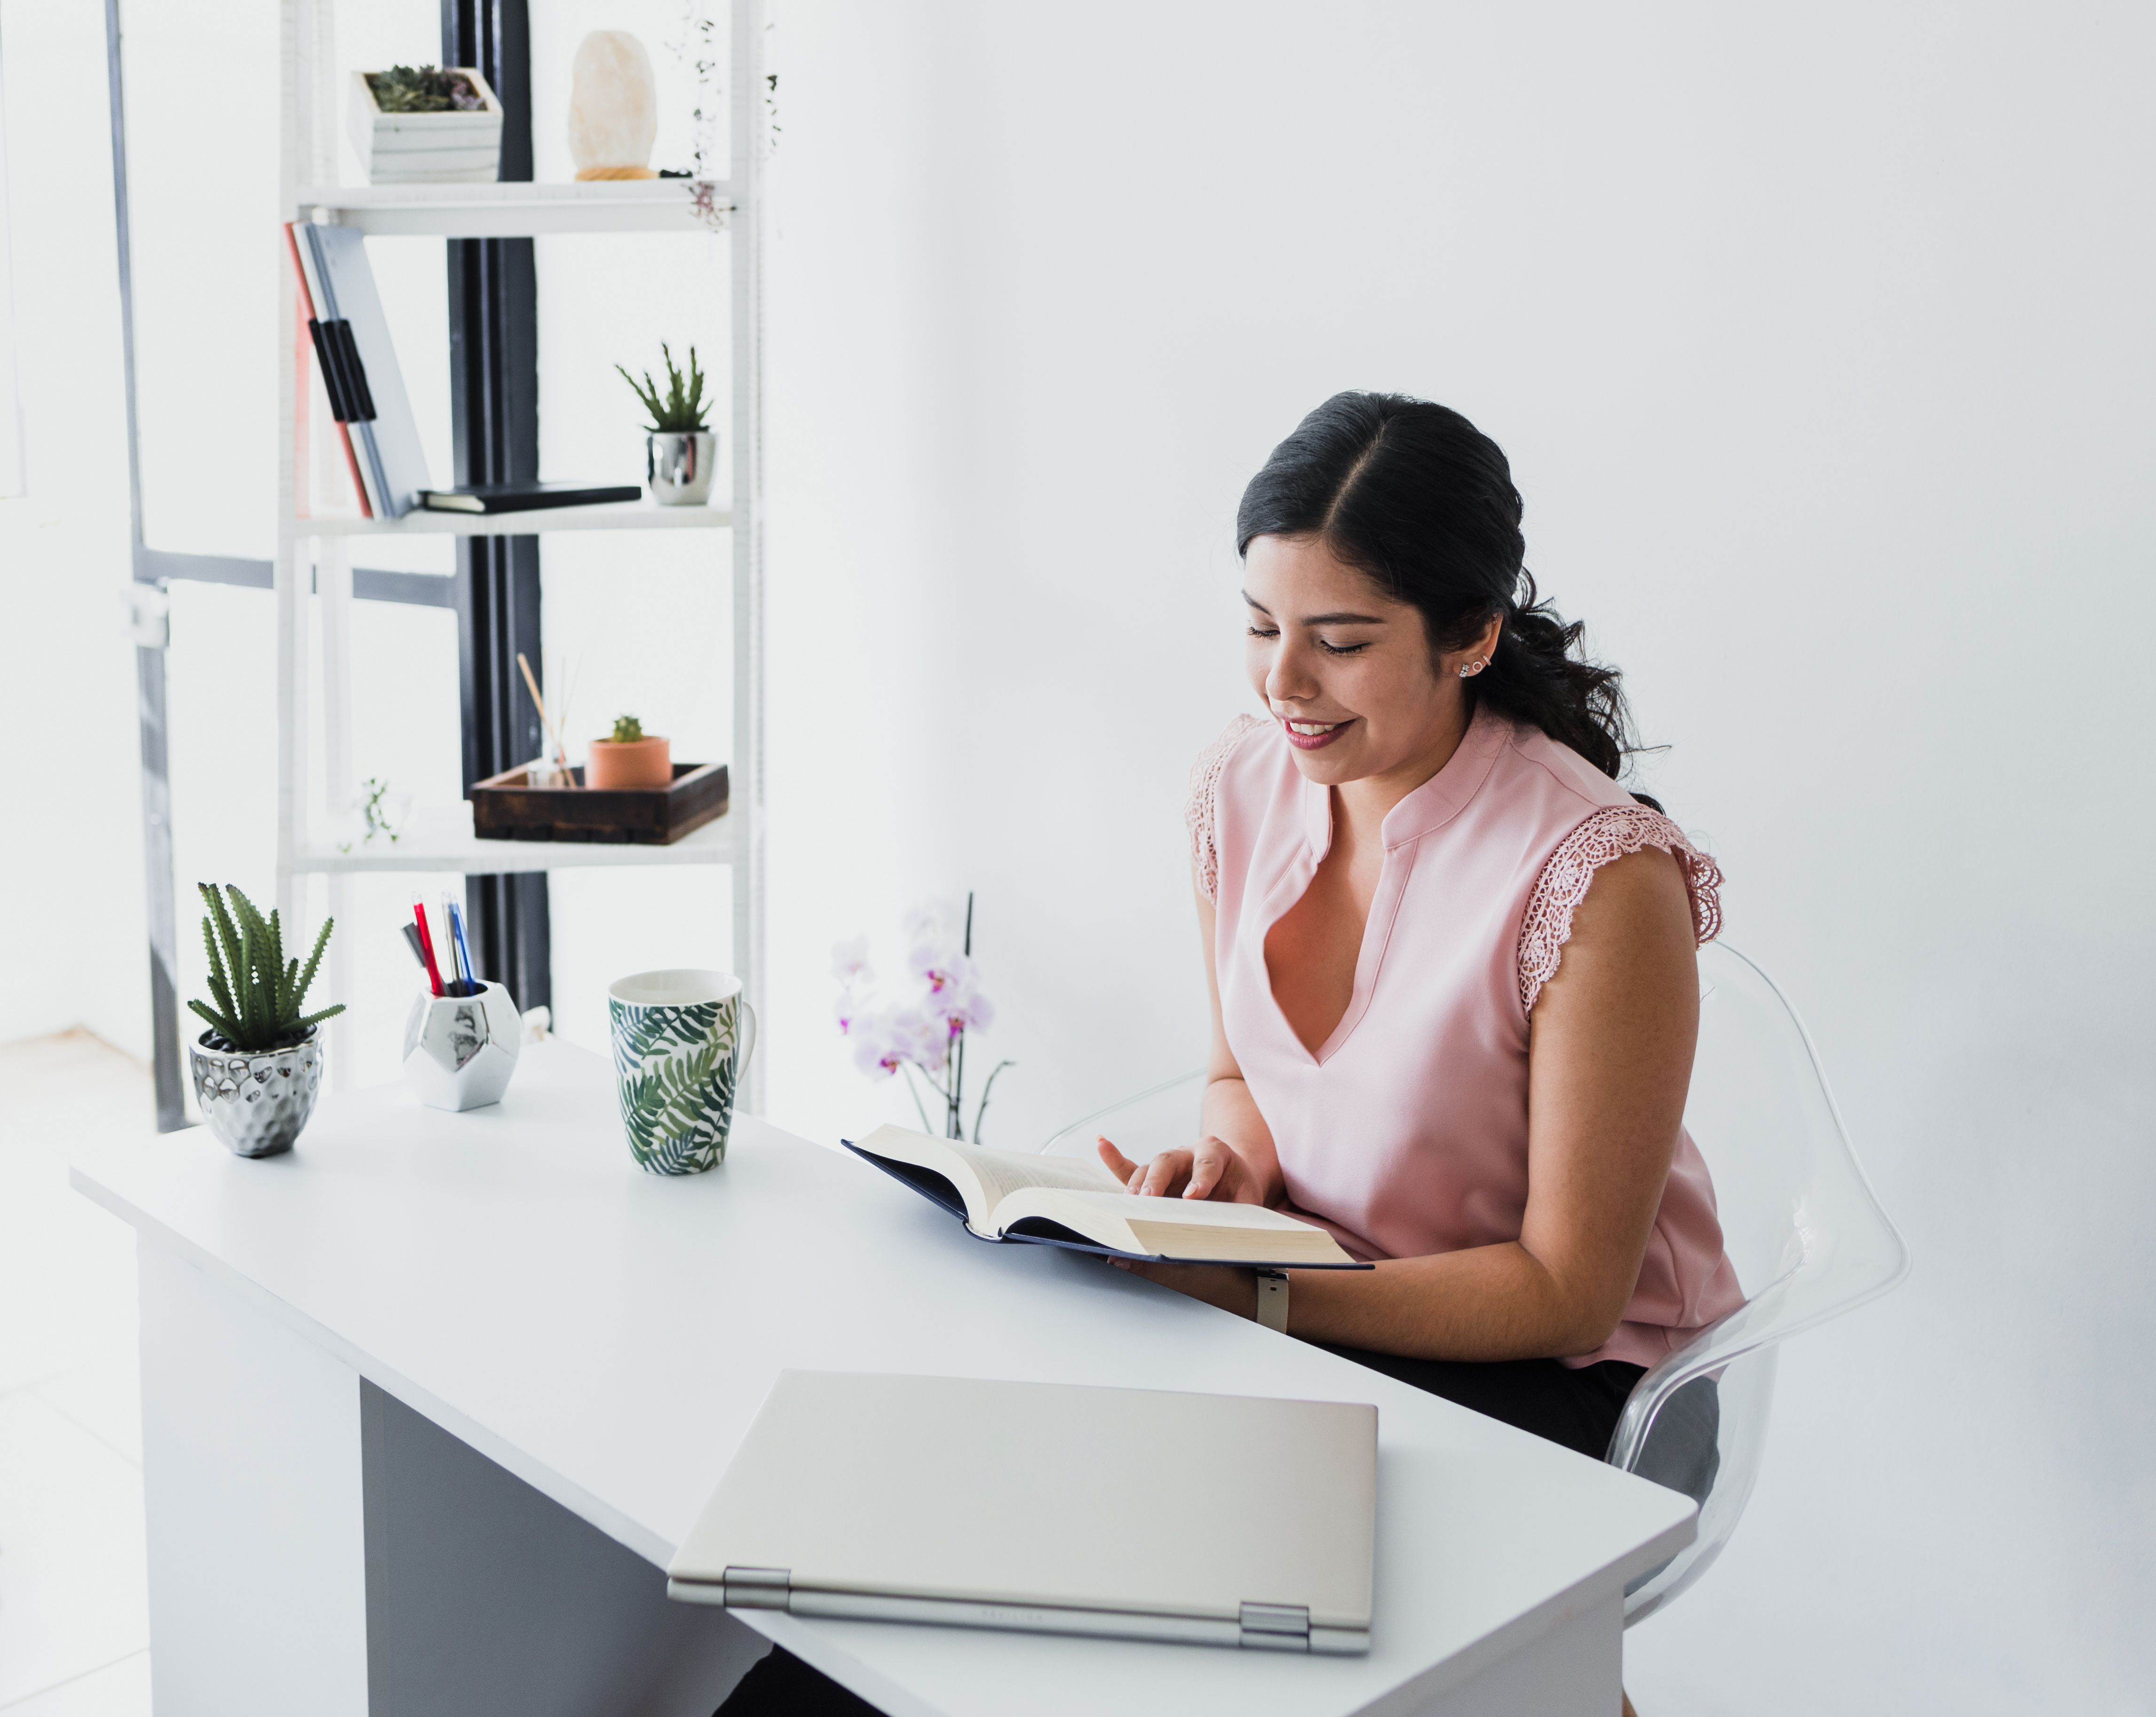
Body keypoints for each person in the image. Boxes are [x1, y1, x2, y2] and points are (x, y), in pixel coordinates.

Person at [715, 392, 1739, 1717]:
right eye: (1260, 628)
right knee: (995, 1517)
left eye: (1342, 642)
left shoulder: (1599, 877)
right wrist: (1228, 1171)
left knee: (1173, 1574)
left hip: (1565, 1379)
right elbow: (1243, 1078)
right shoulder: (1242, 787)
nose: (1283, 685)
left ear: (1471, 636)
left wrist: (1256, 1299)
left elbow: (1568, 1293)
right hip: (1318, 1297)